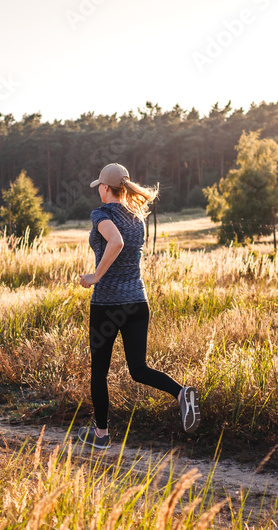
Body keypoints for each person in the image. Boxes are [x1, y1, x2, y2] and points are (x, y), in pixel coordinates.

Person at [75, 163, 199, 449]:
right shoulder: (136, 218)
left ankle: (102, 435)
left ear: (105, 188)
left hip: (107, 304)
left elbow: (115, 242)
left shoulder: (101, 214)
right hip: (137, 302)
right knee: (139, 368)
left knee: (99, 371)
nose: (99, 192)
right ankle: (181, 394)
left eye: (100, 187)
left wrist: (95, 276)